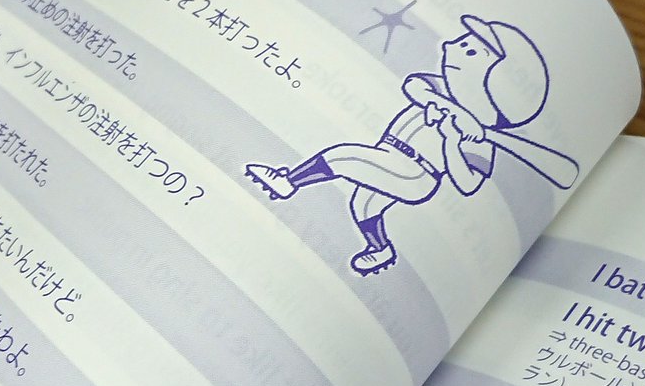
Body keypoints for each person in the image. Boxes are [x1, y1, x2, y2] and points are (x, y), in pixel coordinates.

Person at [245, 15, 573, 276]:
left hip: (417, 174)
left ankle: (289, 181)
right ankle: (380, 249)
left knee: (343, 157)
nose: (452, 47)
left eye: (470, 50)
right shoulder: (440, 88)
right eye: (463, 42)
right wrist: (452, 110)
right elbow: (414, 87)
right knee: (363, 205)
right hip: (390, 154)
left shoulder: (480, 140)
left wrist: (452, 142)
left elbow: (468, 183)